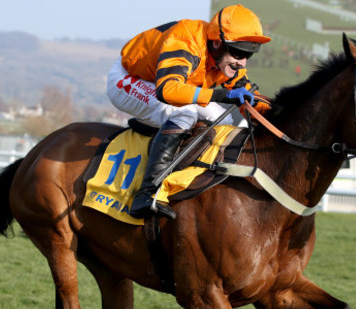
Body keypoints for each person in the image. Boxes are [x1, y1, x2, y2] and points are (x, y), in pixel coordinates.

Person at [107, 4, 271, 220]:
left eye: (248, 54)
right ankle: (147, 193)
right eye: (239, 52)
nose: (242, 61)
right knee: (183, 114)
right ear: (216, 42)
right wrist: (220, 96)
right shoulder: (186, 39)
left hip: (164, 85)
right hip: (130, 80)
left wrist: (276, 113)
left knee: (225, 119)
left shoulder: (226, 58)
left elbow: (246, 93)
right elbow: (166, 90)